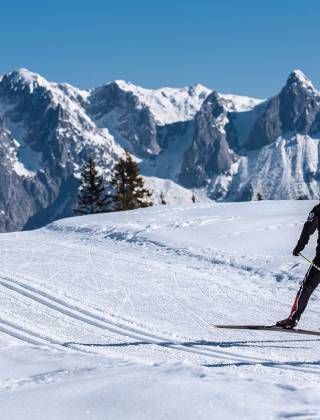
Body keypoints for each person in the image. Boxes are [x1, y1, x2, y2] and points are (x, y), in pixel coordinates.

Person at [276, 204, 320, 329]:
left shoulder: (318, 210)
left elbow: (308, 230)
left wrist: (299, 247)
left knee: (307, 287)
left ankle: (293, 318)